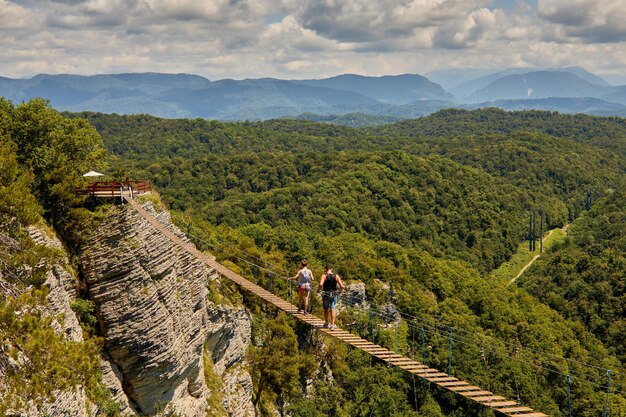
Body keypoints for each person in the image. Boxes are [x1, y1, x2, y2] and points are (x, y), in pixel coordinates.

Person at [317, 265, 345, 330]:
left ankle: (326, 323)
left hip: (326, 294)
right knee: (333, 308)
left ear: (325, 270)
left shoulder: (324, 276)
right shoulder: (336, 276)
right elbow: (342, 286)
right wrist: (340, 292)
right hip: (334, 294)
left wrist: (318, 290)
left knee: (326, 308)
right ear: (332, 269)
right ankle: (332, 325)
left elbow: (321, 284)